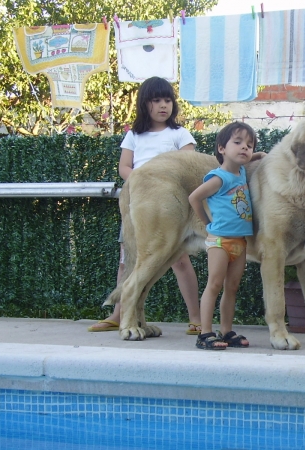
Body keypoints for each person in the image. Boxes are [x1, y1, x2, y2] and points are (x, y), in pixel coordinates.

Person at [88, 76, 202, 335]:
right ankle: (120, 315)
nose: (163, 105)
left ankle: (195, 317)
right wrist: (144, 183)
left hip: (173, 204)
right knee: (128, 259)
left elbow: (189, 167)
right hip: (140, 202)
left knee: (178, 259)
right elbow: (124, 167)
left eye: (168, 100)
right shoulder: (134, 135)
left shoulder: (180, 133)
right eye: (156, 100)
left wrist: (158, 185)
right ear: (144, 104)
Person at [188, 122, 258, 350]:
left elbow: (247, 156)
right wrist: (207, 223)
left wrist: (258, 154)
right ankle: (205, 333)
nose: (244, 148)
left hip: (240, 242)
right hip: (220, 241)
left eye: (249, 145)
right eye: (237, 143)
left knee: (232, 286)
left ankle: (226, 330)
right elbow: (194, 198)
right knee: (215, 284)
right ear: (221, 148)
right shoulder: (218, 178)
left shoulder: (242, 172)